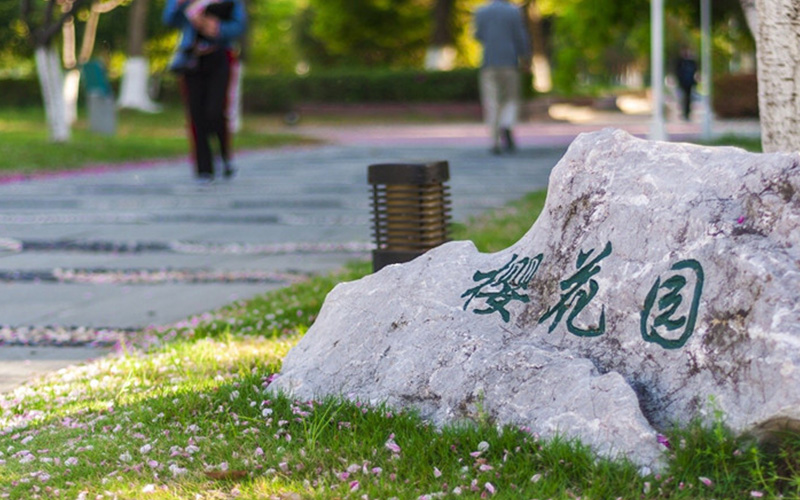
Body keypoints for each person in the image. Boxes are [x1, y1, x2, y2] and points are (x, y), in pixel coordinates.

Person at [163, 0, 246, 183]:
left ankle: (225, 155)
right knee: (196, 114)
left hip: (219, 57)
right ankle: (204, 168)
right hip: (191, 59)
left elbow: (239, 25)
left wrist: (217, 28)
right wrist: (180, 6)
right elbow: (169, 20)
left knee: (215, 111)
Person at [474, 0, 531, 155]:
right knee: (511, 99)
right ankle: (507, 124)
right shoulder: (514, 11)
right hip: (510, 62)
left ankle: (495, 139)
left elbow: (478, 35)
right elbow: (520, 36)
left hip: (489, 62)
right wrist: (525, 58)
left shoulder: (480, 11)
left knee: (491, 101)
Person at [676, 47, 698, 121]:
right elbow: (677, 72)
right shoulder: (680, 62)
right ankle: (684, 112)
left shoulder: (692, 62)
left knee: (688, 98)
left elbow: (695, 71)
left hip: (689, 83)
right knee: (683, 97)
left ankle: (687, 113)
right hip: (683, 83)